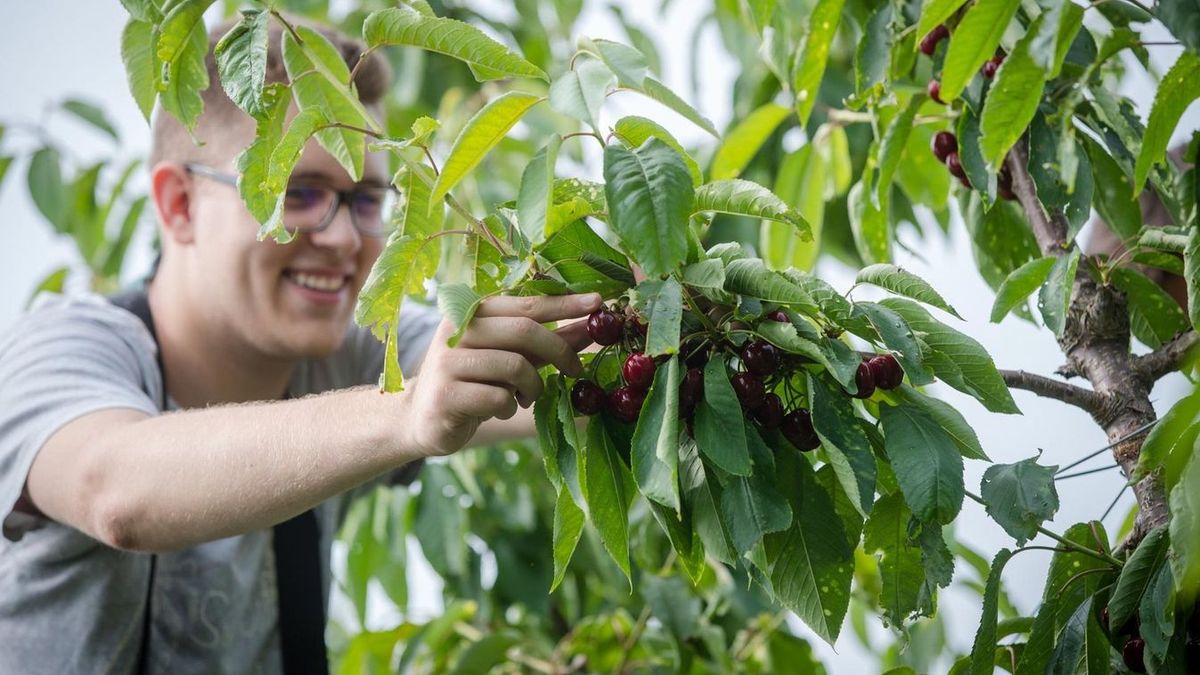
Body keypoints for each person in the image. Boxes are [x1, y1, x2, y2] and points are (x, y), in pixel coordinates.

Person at [0, 15, 601, 674]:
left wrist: (654, 315)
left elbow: (556, 359)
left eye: (366, 200)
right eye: (298, 192)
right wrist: (405, 410)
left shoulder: (351, 352)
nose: (342, 240)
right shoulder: (64, 348)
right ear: (179, 205)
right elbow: (114, 490)